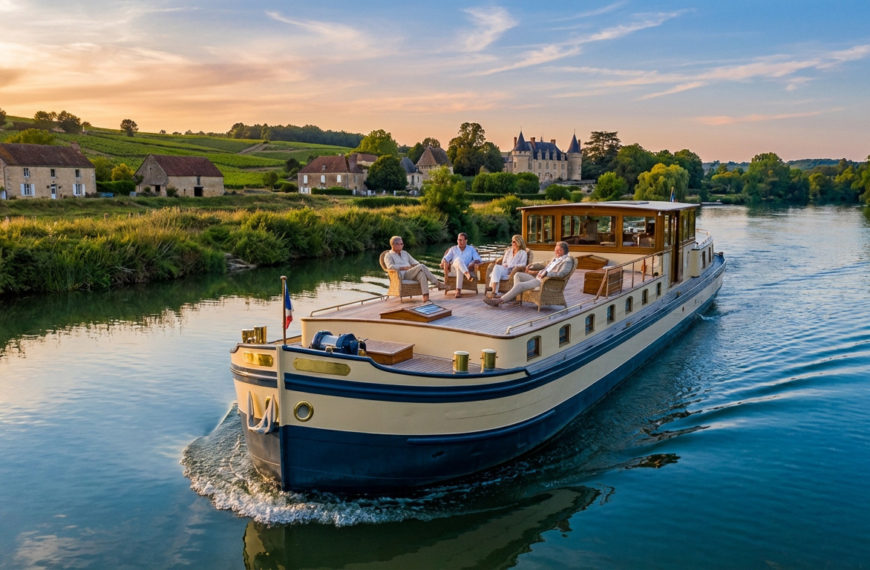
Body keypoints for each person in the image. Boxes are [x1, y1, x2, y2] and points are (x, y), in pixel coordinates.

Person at [484, 241, 573, 307]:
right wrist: (532, 265)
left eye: (558, 250)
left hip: (545, 281)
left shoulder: (567, 261)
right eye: (555, 250)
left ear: (563, 251)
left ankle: (499, 301)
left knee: (520, 286)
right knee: (518, 275)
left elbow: (562, 274)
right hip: (538, 279)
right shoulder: (556, 258)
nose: (556, 252)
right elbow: (544, 263)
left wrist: (547, 274)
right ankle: (515, 297)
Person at [384, 236, 446, 302]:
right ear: (394, 245)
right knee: (421, 266)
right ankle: (437, 283)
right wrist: (403, 268)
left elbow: (415, 262)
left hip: (410, 273)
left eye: (402, 244)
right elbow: (390, 267)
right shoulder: (388, 255)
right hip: (401, 275)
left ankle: (426, 297)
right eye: (401, 244)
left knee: (421, 273)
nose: (403, 245)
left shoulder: (405, 253)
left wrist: (416, 267)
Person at [440, 232, 482, 298]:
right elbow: (445, 258)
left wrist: (473, 263)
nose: (460, 242)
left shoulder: (471, 249)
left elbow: (478, 259)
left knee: (459, 268)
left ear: (466, 240)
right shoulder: (453, 249)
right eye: (458, 240)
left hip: (466, 267)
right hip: (453, 268)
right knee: (458, 260)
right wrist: (444, 262)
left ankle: (458, 290)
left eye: (461, 240)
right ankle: (467, 274)